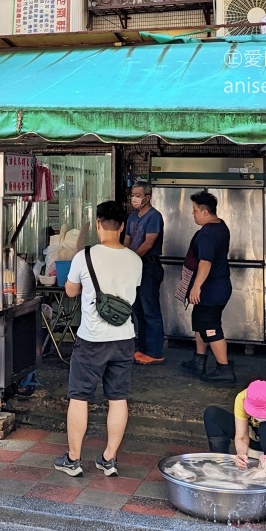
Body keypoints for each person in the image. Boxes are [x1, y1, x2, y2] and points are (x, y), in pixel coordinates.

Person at [55, 201, 142, 478]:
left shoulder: (85, 255)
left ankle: (73, 459)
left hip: (92, 339)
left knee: (79, 397)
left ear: (97, 224)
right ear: (123, 226)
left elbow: (70, 291)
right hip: (124, 337)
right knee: (118, 398)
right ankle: (109, 459)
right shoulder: (135, 259)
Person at [182, 191, 235, 384]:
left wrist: (196, 287)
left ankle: (224, 368)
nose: (193, 214)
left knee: (211, 326)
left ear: (205, 212)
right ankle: (199, 360)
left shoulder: (207, 233)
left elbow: (205, 262)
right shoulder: (221, 226)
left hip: (212, 288)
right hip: (218, 286)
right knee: (200, 322)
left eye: (195, 211)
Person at [203, 380, 266, 471]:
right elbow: (241, 436)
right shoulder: (242, 398)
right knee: (212, 414)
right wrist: (241, 453)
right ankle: (220, 467)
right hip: (252, 435)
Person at [123, 181, 165, 365]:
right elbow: (126, 240)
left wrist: (130, 260)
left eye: (138, 195)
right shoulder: (132, 217)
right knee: (137, 310)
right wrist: (121, 257)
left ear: (148, 197)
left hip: (149, 267)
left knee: (151, 310)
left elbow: (148, 244)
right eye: (133, 194)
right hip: (134, 268)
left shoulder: (154, 217)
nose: (135, 198)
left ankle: (155, 352)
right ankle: (142, 349)